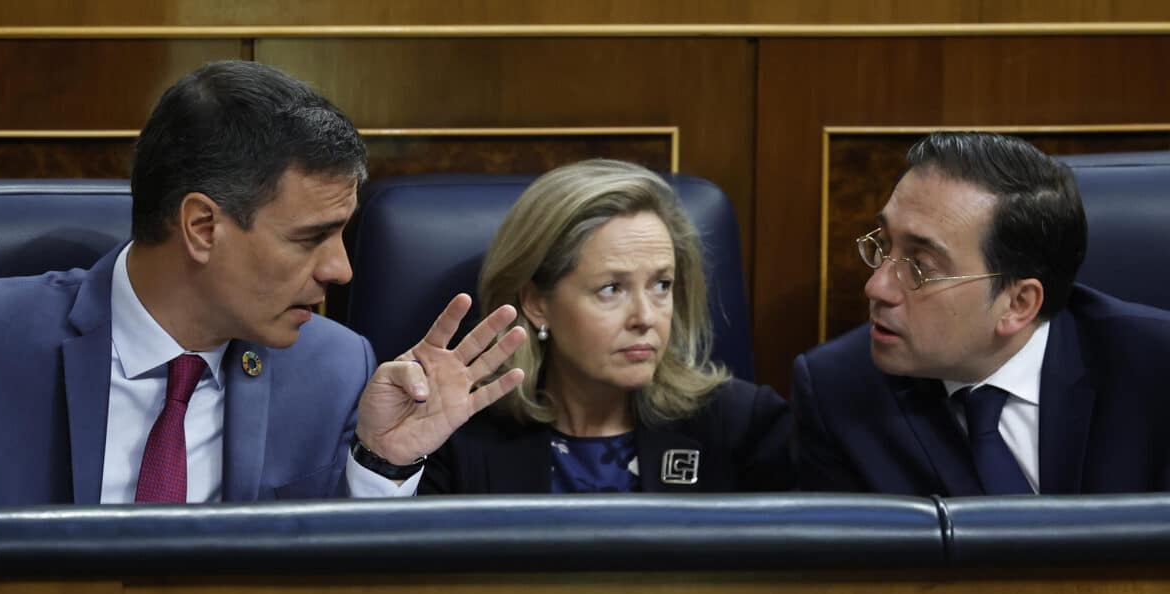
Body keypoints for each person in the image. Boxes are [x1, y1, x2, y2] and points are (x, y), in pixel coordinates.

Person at [0, 60, 523, 506]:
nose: (341, 270)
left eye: (343, 236)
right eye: (311, 238)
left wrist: (381, 464)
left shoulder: (334, 370)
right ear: (203, 228)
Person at [792, 131, 1170, 496]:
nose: (875, 287)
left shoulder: (1153, 369)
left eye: (920, 266)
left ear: (1017, 304)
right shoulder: (837, 392)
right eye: (884, 244)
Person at [418, 159, 793, 494]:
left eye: (661, 285)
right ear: (536, 303)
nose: (645, 317)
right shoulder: (461, 436)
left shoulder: (745, 425)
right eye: (611, 289)